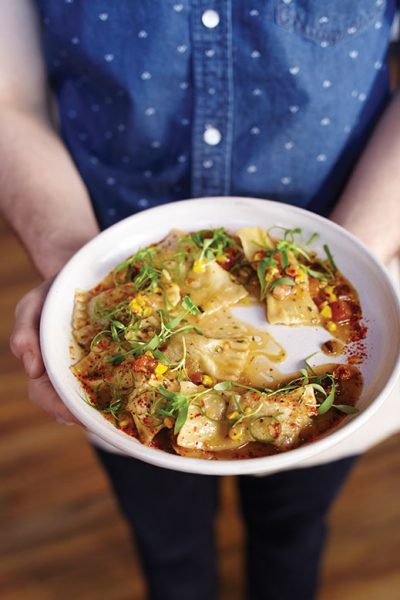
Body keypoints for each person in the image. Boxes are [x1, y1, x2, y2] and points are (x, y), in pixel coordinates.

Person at [2, 1, 400, 599]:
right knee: (169, 545)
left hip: (357, 278)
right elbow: (8, 100)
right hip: (106, 264)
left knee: (293, 530)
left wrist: (342, 263)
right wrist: (70, 266)